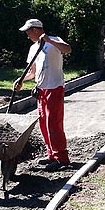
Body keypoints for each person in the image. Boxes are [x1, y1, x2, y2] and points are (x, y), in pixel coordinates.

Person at [13, 18, 72, 172]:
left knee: (53, 124)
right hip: (41, 90)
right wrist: (20, 80)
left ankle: (62, 158)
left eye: (28, 31)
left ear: (36, 29)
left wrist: (49, 41)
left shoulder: (54, 41)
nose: (27, 35)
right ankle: (51, 154)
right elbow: (32, 72)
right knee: (44, 125)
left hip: (55, 88)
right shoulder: (33, 48)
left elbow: (67, 50)